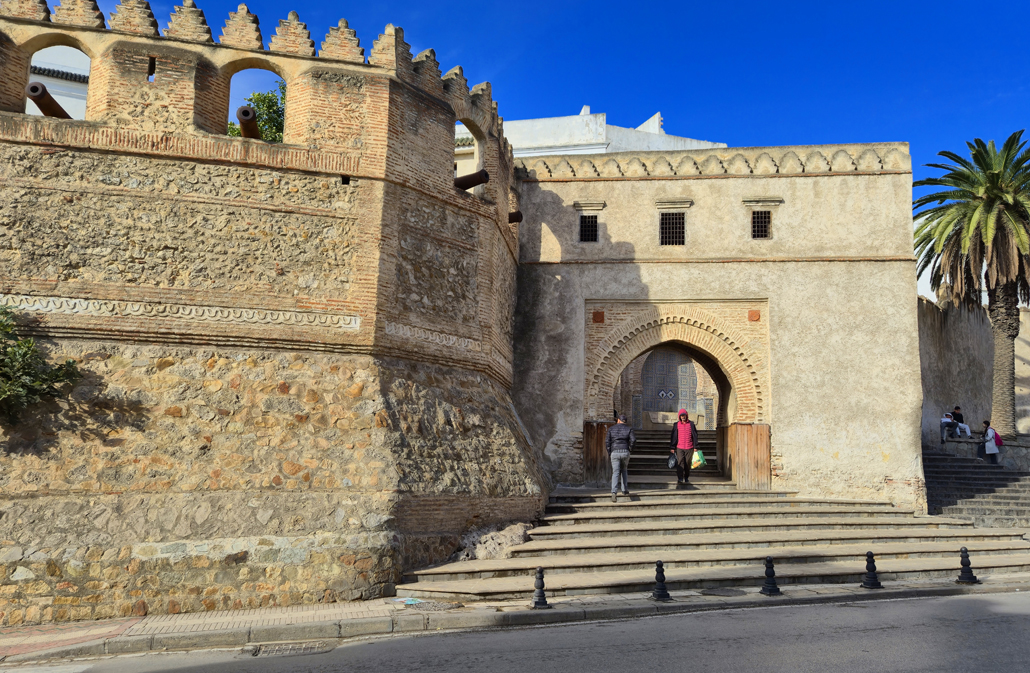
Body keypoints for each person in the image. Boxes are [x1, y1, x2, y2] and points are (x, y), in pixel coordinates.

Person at [605, 414, 635, 502]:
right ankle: (625, 490)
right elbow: (633, 440)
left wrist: (610, 451)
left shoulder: (611, 429)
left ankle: (614, 492)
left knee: (615, 472)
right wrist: (630, 449)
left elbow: (607, 441)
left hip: (615, 451)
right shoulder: (629, 429)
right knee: (624, 470)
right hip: (625, 451)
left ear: (618, 420)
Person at [669, 409, 698, 485]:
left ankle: (686, 477)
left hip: (689, 447)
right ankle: (680, 478)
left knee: (687, 463)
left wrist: (695, 446)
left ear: (686, 415)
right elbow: (673, 437)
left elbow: (695, 436)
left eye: (684, 415)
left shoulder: (691, 424)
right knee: (680, 462)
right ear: (679, 417)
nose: (683, 417)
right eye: (681, 416)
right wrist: (672, 447)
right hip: (680, 447)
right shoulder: (676, 425)